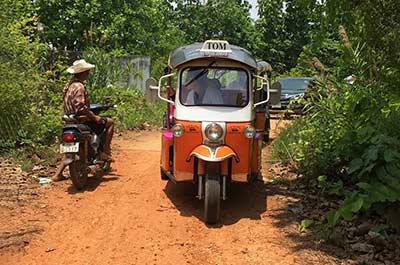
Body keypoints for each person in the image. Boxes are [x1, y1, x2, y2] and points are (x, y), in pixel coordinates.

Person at [52, 59, 114, 181]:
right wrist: (94, 117)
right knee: (110, 122)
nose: (88, 74)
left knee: (69, 149)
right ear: (84, 73)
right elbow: (81, 106)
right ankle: (105, 152)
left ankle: (58, 174)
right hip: (80, 119)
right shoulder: (79, 86)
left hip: (69, 119)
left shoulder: (69, 85)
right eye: (87, 72)